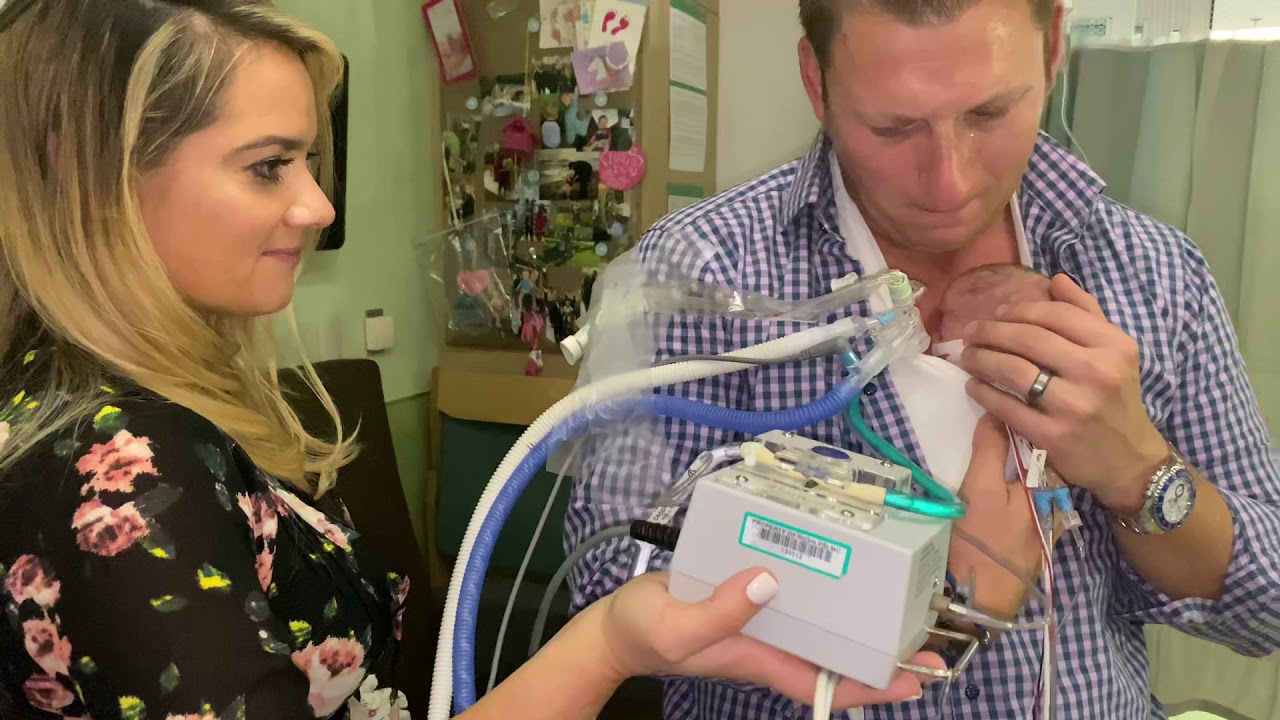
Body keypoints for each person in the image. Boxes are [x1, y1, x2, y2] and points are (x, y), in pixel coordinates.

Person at [0, 1, 940, 718]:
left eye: (310, 162)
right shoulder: (121, 480)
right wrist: (607, 642)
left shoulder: (99, 409)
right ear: (90, 171)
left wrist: (612, 642)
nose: (319, 206)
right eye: (267, 165)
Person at [566, 1, 1280, 718]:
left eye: (989, 113)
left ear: (1053, 48)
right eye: (894, 127)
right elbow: (609, 577)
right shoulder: (700, 273)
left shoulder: (1154, 274)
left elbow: (1265, 607)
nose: (949, 185)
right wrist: (947, 604)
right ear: (816, 81)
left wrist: (1138, 473)